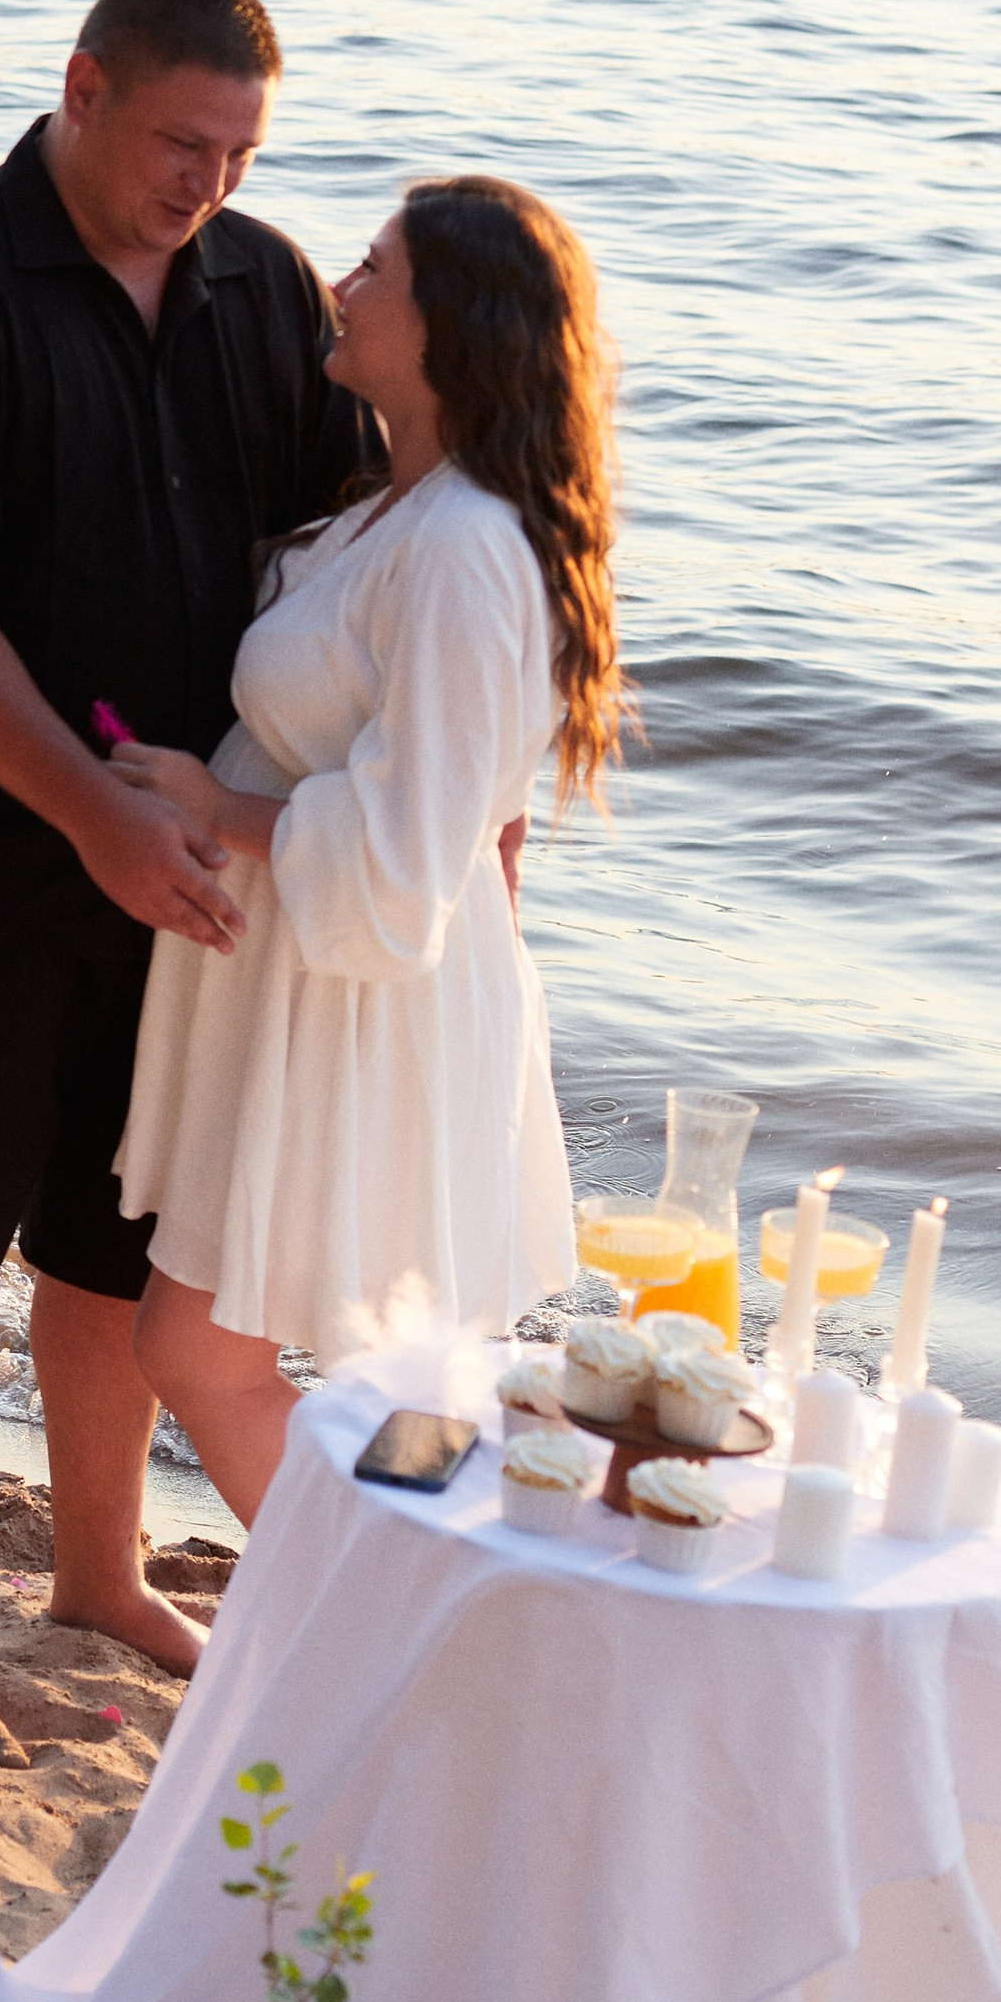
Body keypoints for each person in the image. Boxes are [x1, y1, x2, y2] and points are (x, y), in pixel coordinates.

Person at [0, 0, 371, 1766]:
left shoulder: (260, 283)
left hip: (184, 870)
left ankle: (101, 1573)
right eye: (186, 140)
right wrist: (92, 817)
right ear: (86, 86)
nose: (211, 181)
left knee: (114, 1256)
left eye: (244, 150)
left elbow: (353, 532)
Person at [107, 175, 626, 1521]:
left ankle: (389, 1620)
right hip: (324, 993)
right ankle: (388, 1624)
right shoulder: (399, 511)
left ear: (452, 322)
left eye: (376, 269)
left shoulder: (461, 547)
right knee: (333, 1378)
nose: (342, 285)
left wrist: (212, 810)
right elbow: (484, 819)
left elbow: (407, 852)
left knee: (333, 1377)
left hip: (367, 1002)